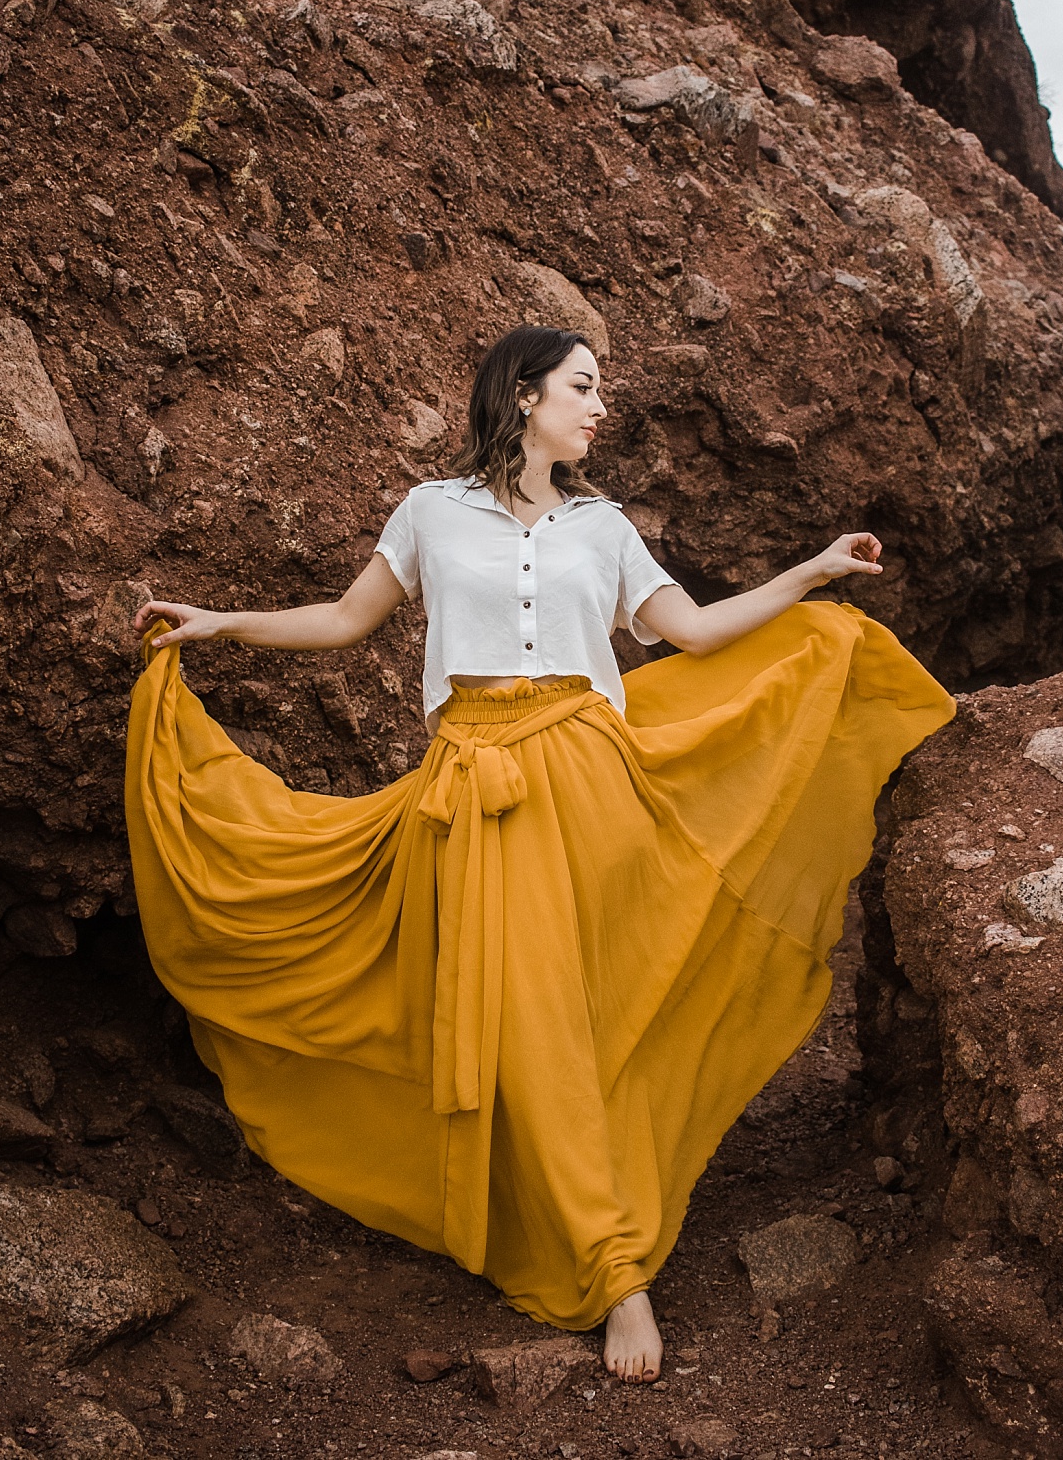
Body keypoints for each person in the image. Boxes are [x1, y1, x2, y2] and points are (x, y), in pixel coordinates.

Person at [128, 324, 953, 1383]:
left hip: (593, 783)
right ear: (523, 397)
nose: (600, 407)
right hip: (474, 788)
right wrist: (219, 623)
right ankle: (617, 1275)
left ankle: (603, 1241)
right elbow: (346, 619)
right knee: (533, 1020)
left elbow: (691, 635)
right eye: (584, 387)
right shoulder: (431, 511)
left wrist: (813, 572)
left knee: (585, 1018)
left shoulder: (603, 527)